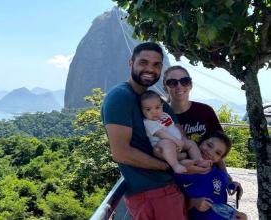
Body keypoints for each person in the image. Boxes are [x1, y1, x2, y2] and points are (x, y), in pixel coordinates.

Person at [102, 42, 208, 219]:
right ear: (131, 63)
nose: (150, 69)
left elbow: (180, 136)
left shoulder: (155, 101)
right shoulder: (120, 97)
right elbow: (121, 153)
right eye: (143, 62)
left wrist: (189, 161)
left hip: (169, 189)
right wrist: (170, 166)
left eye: (156, 64)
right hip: (151, 194)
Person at [163, 65, 243, 199]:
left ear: (190, 84)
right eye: (172, 82)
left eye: (184, 81)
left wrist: (227, 179)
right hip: (176, 182)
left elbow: (219, 149)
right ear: (165, 87)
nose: (179, 86)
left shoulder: (205, 111)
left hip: (208, 179)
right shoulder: (161, 116)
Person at [174, 131, 248, 220]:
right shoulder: (181, 171)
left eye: (217, 153)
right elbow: (171, 206)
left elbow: (221, 205)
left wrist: (237, 214)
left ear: (220, 159)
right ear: (200, 142)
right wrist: (193, 202)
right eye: (209, 145)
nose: (210, 153)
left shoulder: (220, 175)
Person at [141, 90, 211, 173]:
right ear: (142, 111)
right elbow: (161, 133)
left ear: (162, 106)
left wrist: (182, 139)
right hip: (161, 147)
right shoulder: (148, 122)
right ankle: (175, 165)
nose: (154, 112)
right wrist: (177, 141)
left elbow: (173, 128)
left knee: (191, 143)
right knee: (166, 143)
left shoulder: (165, 115)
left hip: (177, 143)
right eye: (148, 109)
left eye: (157, 107)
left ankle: (198, 161)